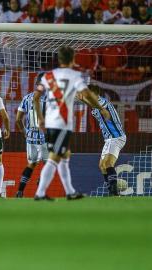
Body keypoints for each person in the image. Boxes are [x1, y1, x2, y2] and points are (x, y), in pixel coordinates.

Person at [33, 46, 111, 200]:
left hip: (49, 122)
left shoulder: (47, 76)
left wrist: (40, 118)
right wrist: (101, 108)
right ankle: (40, 193)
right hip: (62, 124)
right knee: (54, 157)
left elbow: (36, 97)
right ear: (73, 60)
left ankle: (70, 192)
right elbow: (87, 94)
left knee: (65, 155)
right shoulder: (75, 76)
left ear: (59, 59)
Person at [76, 86, 126, 196]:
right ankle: (111, 190)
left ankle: (114, 193)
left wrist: (83, 100)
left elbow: (99, 108)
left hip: (116, 137)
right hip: (109, 139)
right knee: (102, 166)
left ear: (95, 95)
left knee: (108, 163)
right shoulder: (96, 103)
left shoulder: (103, 102)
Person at [15, 73, 48, 198]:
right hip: (45, 137)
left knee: (31, 164)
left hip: (30, 138)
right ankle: (41, 189)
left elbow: (18, 120)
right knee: (48, 164)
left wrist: (25, 133)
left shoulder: (27, 98)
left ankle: (20, 191)